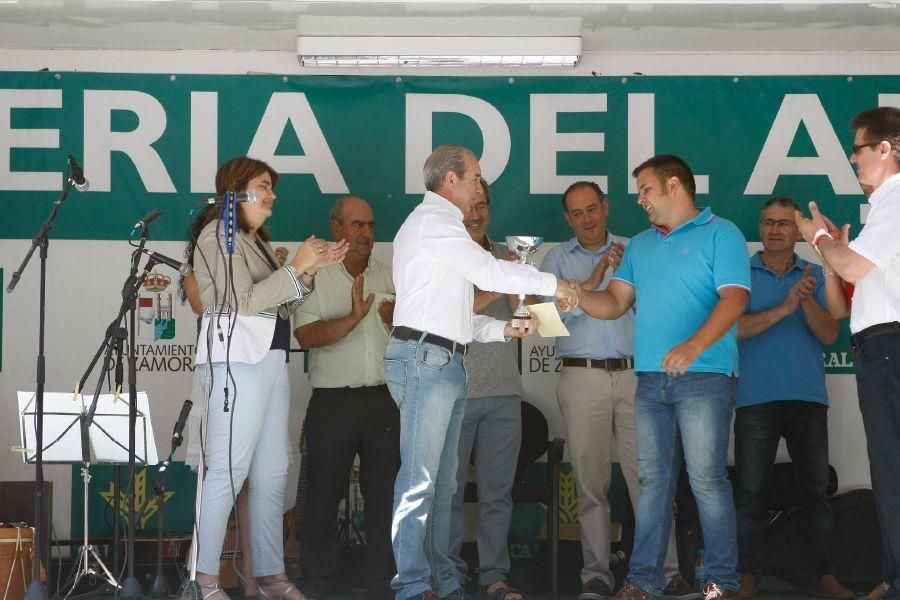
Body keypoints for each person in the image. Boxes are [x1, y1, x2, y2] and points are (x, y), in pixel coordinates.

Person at [385, 144, 579, 600]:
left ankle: (444, 581)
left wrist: (505, 330)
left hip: (446, 359)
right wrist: (554, 285)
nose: (479, 185)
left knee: (441, 484)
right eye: (474, 176)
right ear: (449, 180)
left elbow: (458, 319)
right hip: (426, 360)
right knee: (421, 483)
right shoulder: (434, 221)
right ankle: (414, 586)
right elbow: (489, 274)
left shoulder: (442, 228)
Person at [576, 155, 749, 600]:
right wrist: (575, 295)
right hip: (651, 380)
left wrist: (694, 346)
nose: (640, 200)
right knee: (652, 482)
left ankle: (720, 583)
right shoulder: (638, 245)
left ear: (674, 185)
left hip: (705, 376)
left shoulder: (722, 232)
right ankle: (643, 581)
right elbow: (614, 302)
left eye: (646, 190)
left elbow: (733, 300)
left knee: (707, 479)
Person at [191, 155, 347, 600]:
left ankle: (269, 576)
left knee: (273, 469)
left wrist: (310, 271)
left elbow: (277, 304)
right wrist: (296, 268)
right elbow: (243, 301)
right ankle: (202, 579)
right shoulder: (217, 235)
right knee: (227, 468)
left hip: (271, 358)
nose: (273, 195)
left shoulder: (251, 238)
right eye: (265, 185)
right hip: (236, 362)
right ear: (238, 191)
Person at [538, 181, 688, 600]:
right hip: (581, 375)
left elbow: (659, 311)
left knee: (650, 480)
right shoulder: (555, 258)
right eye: (577, 213)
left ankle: (665, 573)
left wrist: (624, 280)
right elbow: (549, 324)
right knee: (590, 484)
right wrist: (598, 275)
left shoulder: (636, 249)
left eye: (592, 209)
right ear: (568, 219)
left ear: (605, 208)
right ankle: (596, 576)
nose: (587, 219)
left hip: (634, 374)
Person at [794, 106, 900, 600]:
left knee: (893, 468)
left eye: (857, 149)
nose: (852, 160)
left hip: (890, 348)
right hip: (880, 348)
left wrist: (817, 238)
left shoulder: (896, 199)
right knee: (889, 468)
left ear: (886, 148)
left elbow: (854, 269)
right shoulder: (884, 207)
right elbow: (853, 276)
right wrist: (832, 250)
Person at [734, 197, 851, 599]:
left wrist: (803, 302)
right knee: (750, 494)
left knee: (815, 493)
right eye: (768, 222)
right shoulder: (741, 275)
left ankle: (824, 574)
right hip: (754, 398)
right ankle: (747, 574)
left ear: (796, 232)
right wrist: (784, 309)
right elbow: (734, 330)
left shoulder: (817, 275)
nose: (775, 230)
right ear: (760, 227)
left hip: (807, 398)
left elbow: (830, 334)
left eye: (784, 223)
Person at [293, 196, 400, 600]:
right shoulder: (318, 275)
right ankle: (318, 584)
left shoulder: (385, 275)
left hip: (383, 399)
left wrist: (397, 323)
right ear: (336, 228)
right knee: (322, 495)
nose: (366, 234)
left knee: (384, 495)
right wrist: (353, 318)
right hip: (333, 401)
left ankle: (382, 582)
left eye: (370, 226)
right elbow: (306, 337)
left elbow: (404, 335)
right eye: (357, 225)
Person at [447, 181, 526, 600]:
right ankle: (450, 578)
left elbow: (527, 318)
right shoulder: (448, 256)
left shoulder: (506, 257)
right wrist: (499, 280)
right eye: (469, 206)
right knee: (451, 493)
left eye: (483, 207)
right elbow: (458, 311)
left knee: (498, 494)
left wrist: (518, 279)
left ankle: (494, 576)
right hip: (454, 393)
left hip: (503, 392)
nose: (475, 215)